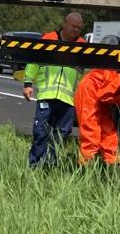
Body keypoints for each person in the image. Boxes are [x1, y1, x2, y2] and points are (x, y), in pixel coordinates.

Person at [21, 12, 85, 168]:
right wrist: (28, 83)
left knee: (61, 135)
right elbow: (34, 61)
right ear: (64, 24)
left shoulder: (83, 46)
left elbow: (85, 73)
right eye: (73, 26)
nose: (75, 30)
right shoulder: (48, 39)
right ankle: (35, 166)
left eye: (79, 28)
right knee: (41, 132)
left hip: (68, 99)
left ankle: (50, 165)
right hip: (47, 95)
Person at [75, 69, 120, 167]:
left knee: (109, 133)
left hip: (100, 96)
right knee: (90, 132)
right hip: (90, 91)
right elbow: (107, 94)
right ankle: (85, 166)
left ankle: (113, 166)